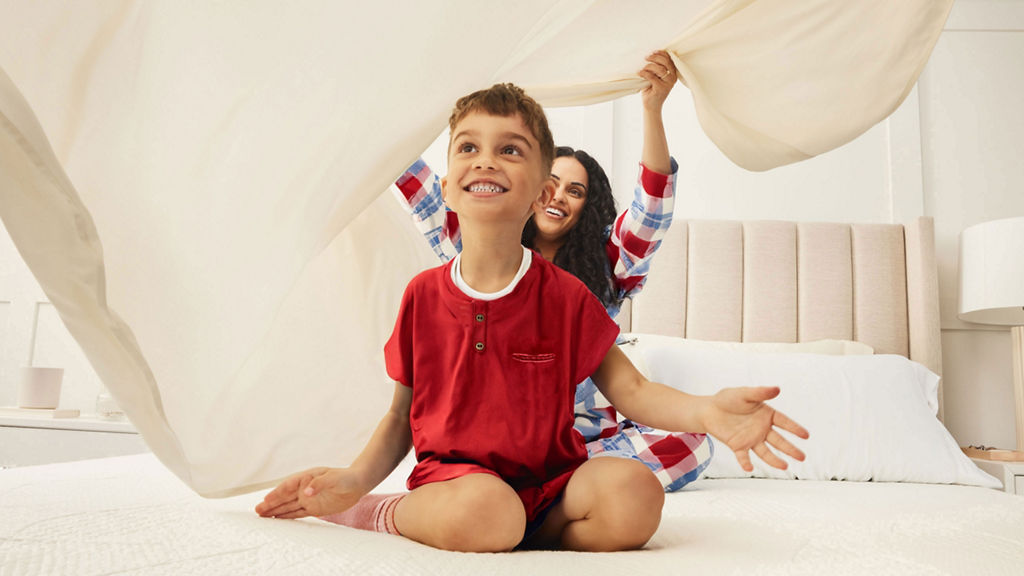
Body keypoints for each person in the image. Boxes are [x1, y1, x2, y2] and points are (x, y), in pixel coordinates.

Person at [255, 82, 809, 553]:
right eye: (468, 148)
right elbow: (400, 418)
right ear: (447, 187)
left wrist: (707, 411)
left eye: (511, 150)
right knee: (486, 507)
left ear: (540, 192)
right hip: (462, 483)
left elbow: (632, 389)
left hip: (550, 483)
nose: (487, 159)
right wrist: (354, 482)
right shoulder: (422, 295)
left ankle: (524, 533)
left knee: (637, 495)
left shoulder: (568, 295)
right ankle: (389, 513)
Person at [394, 51, 703, 490]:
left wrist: (652, 109)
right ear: (536, 190)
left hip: (592, 439)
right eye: (553, 183)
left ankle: (564, 480)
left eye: (575, 191)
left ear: (586, 207)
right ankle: (539, 480)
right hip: (505, 436)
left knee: (694, 442)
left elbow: (651, 211)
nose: (558, 197)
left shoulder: (604, 267)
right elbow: (423, 187)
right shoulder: (478, 247)